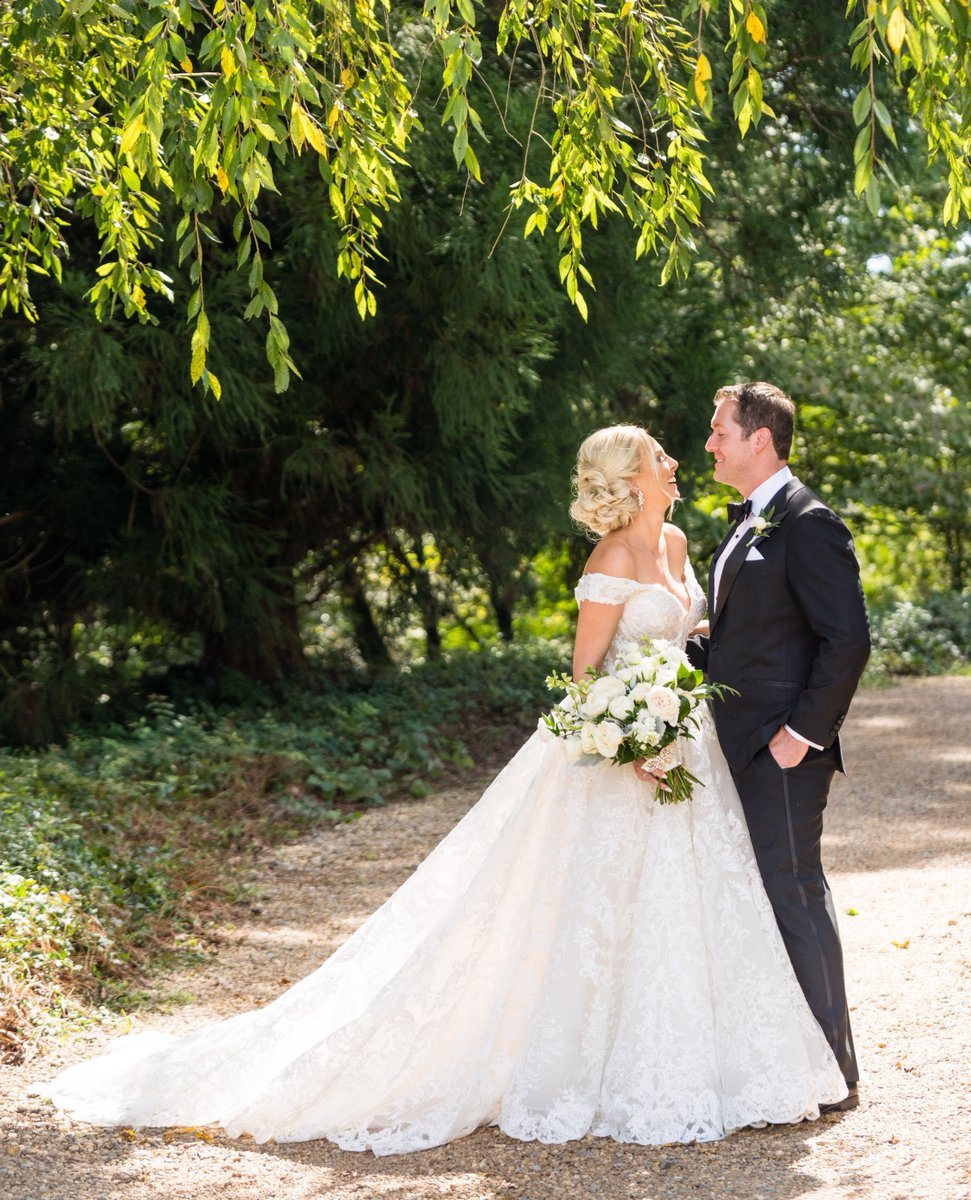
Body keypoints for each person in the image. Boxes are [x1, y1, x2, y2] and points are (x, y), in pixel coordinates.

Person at [33, 424, 848, 1154]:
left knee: (694, 908)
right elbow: (583, 680)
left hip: (690, 750)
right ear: (633, 476)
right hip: (621, 760)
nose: (681, 460)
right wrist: (630, 735)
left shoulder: (676, 543)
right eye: (664, 455)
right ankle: (580, 1065)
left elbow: (694, 631)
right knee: (589, 912)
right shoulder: (606, 563)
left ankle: (706, 1059)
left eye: (688, 447)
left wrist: (684, 693)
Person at [682, 383, 870, 1112]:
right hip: (733, 744)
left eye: (718, 429)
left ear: (759, 438)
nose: (709, 443)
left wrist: (801, 734)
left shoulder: (808, 523)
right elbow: (743, 641)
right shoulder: (743, 525)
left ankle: (832, 1068)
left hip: (781, 750)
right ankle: (789, 1061)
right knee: (765, 895)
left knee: (793, 890)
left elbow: (845, 640)